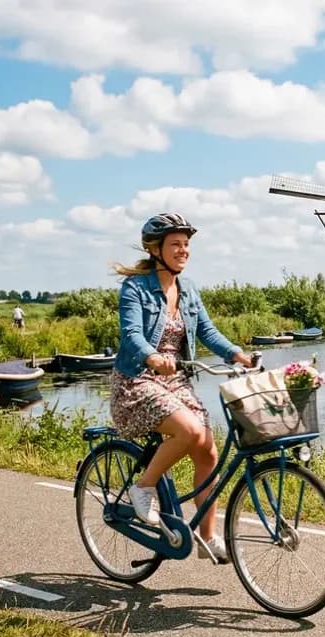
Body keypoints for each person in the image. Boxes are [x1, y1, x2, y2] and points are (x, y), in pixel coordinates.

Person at [110, 212, 254, 563]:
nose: (183, 250)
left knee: (207, 450)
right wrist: (152, 357)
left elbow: (207, 331)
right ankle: (143, 488)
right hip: (137, 381)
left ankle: (207, 537)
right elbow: (131, 334)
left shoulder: (187, 289)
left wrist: (237, 354)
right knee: (188, 430)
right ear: (155, 249)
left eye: (186, 244)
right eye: (175, 244)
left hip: (176, 381)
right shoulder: (135, 288)